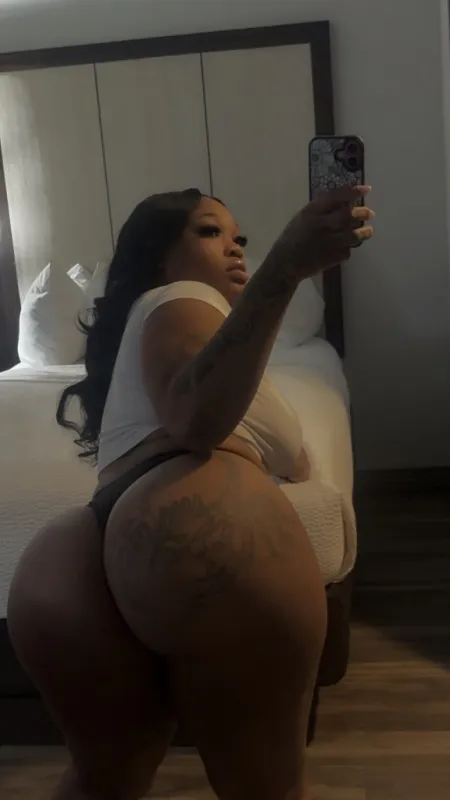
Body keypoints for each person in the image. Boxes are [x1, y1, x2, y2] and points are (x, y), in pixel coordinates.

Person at [7, 185, 374, 800]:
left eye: (241, 238)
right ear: (159, 254)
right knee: (266, 786)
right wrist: (283, 268)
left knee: (103, 778)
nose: (235, 247)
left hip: (69, 556)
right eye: (209, 231)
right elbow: (195, 420)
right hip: (197, 523)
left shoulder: (184, 342)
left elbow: (280, 447)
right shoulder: (184, 296)